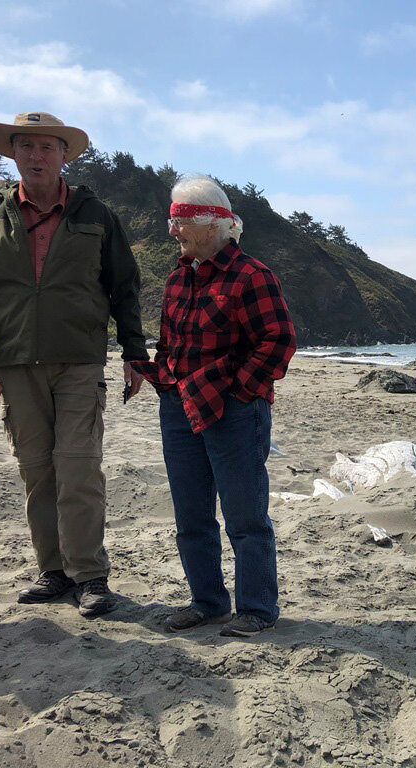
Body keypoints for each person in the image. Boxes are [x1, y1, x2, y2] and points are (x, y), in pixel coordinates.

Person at [0, 112, 148, 618]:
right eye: (26, 146)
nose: (36, 156)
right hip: (14, 362)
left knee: (79, 467)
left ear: (65, 156)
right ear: (12, 153)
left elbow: (124, 287)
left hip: (79, 359)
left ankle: (89, 574)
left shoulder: (96, 215)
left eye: (47, 147)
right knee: (37, 471)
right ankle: (53, 572)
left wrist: (134, 353)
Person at [131, 175, 296, 636]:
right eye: (172, 219)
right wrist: (164, 380)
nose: (172, 230)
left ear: (210, 224)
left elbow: (278, 341)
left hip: (235, 412)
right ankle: (207, 602)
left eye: (179, 220)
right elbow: (169, 343)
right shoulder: (177, 278)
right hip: (179, 407)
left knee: (245, 518)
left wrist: (240, 391)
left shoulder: (253, 275)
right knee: (192, 515)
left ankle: (257, 609)